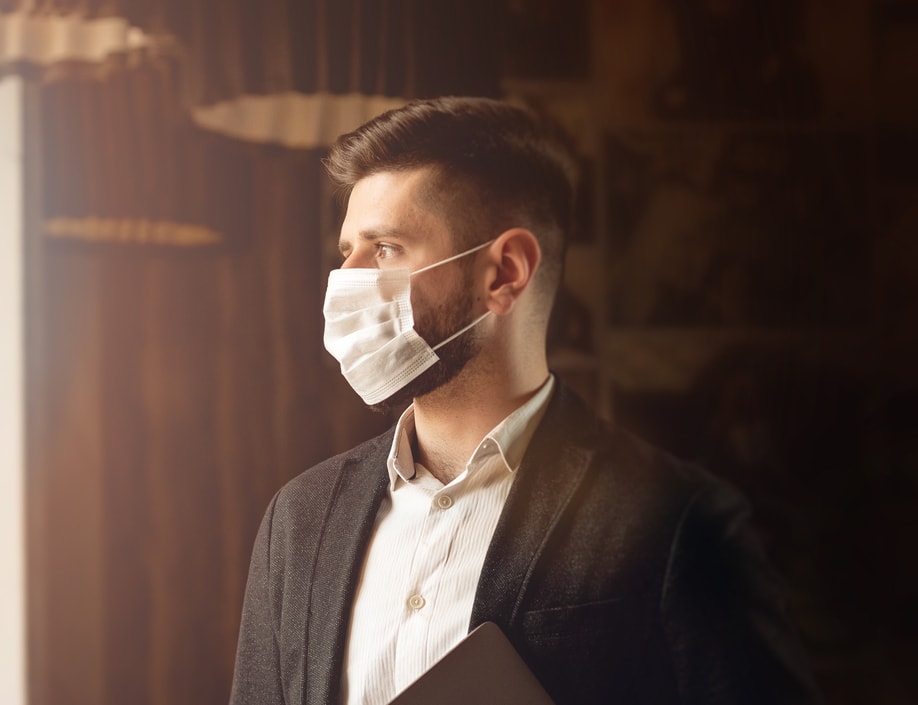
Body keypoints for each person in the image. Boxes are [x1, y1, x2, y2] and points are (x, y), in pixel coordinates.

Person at [228, 97, 820, 705]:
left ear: (505, 272)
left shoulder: (682, 522)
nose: (344, 280)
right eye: (344, 251)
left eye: (384, 249)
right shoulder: (296, 521)